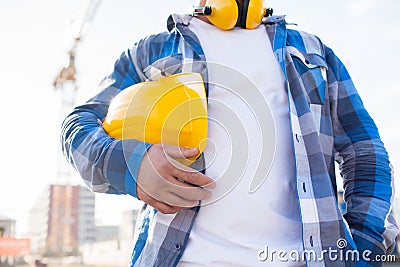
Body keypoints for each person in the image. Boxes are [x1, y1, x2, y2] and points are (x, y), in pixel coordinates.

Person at [61, 0, 398, 266]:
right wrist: (132, 164)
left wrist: (363, 249)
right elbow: (77, 128)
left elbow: (366, 153)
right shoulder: (150, 52)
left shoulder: (314, 55)